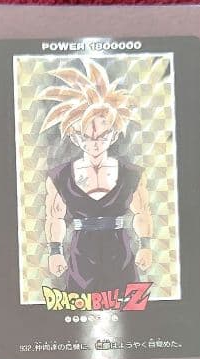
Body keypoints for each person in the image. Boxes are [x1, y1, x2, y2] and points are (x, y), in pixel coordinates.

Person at [37, 58, 158, 293]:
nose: (95, 143)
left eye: (102, 136)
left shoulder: (131, 174)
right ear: (75, 137)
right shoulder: (61, 176)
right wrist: (55, 251)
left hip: (120, 252)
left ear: (114, 135)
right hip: (81, 254)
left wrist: (145, 245)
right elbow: (55, 217)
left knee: (123, 305)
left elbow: (142, 211)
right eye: (87, 136)